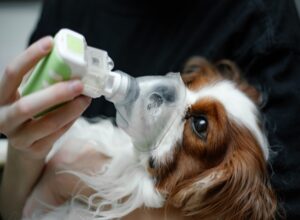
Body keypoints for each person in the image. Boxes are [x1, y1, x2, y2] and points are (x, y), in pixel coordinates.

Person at [1, 0, 300, 219]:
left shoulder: (262, 19)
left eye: (200, 126)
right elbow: (14, 209)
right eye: (189, 85)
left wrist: (70, 179)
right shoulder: (69, 7)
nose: (171, 101)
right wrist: (24, 151)